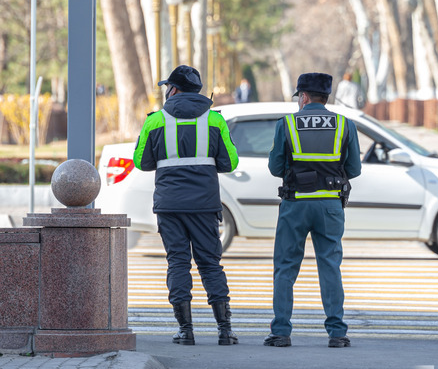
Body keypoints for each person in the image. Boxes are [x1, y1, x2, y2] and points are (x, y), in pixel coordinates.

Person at [133, 65, 240, 346]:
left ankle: (186, 330)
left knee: (178, 262)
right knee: (210, 264)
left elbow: (141, 162)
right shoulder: (215, 121)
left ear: (174, 89)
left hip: (169, 206)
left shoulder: (155, 121)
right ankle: (225, 330)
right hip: (204, 206)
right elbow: (231, 162)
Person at [264, 72, 362, 348]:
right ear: (325, 96)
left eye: (299, 97)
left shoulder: (288, 124)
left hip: (295, 204)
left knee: (285, 267)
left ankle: (281, 332)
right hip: (330, 205)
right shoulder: (345, 125)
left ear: (304, 97)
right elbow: (354, 169)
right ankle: (337, 333)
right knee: (330, 265)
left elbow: (275, 168)